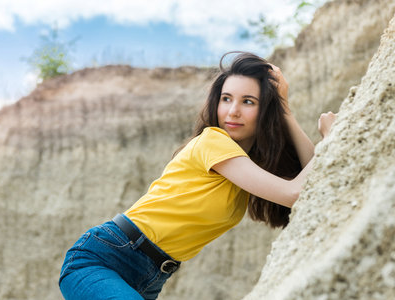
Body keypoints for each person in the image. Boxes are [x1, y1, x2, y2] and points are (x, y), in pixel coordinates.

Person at [59, 52, 336, 299]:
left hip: (152, 276)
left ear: (265, 110)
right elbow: (294, 192)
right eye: (226, 99)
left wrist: (284, 110)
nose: (233, 111)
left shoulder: (246, 166)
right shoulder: (213, 141)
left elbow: (312, 179)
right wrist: (331, 139)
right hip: (104, 258)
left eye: (248, 101)